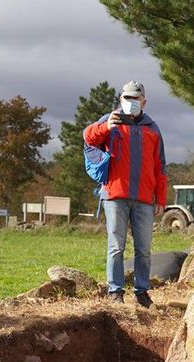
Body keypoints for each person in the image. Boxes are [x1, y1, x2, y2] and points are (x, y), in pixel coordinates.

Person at [84, 80, 168, 308]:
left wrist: (160, 198)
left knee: (144, 249)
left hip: (144, 199)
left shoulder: (153, 128)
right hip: (114, 195)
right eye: (127, 98)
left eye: (136, 99)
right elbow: (88, 137)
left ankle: (142, 292)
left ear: (144, 101)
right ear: (121, 100)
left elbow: (160, 167)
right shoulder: (110, 120)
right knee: (116, 246)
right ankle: (115, 291)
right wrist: (105, 127)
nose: (132, 103)